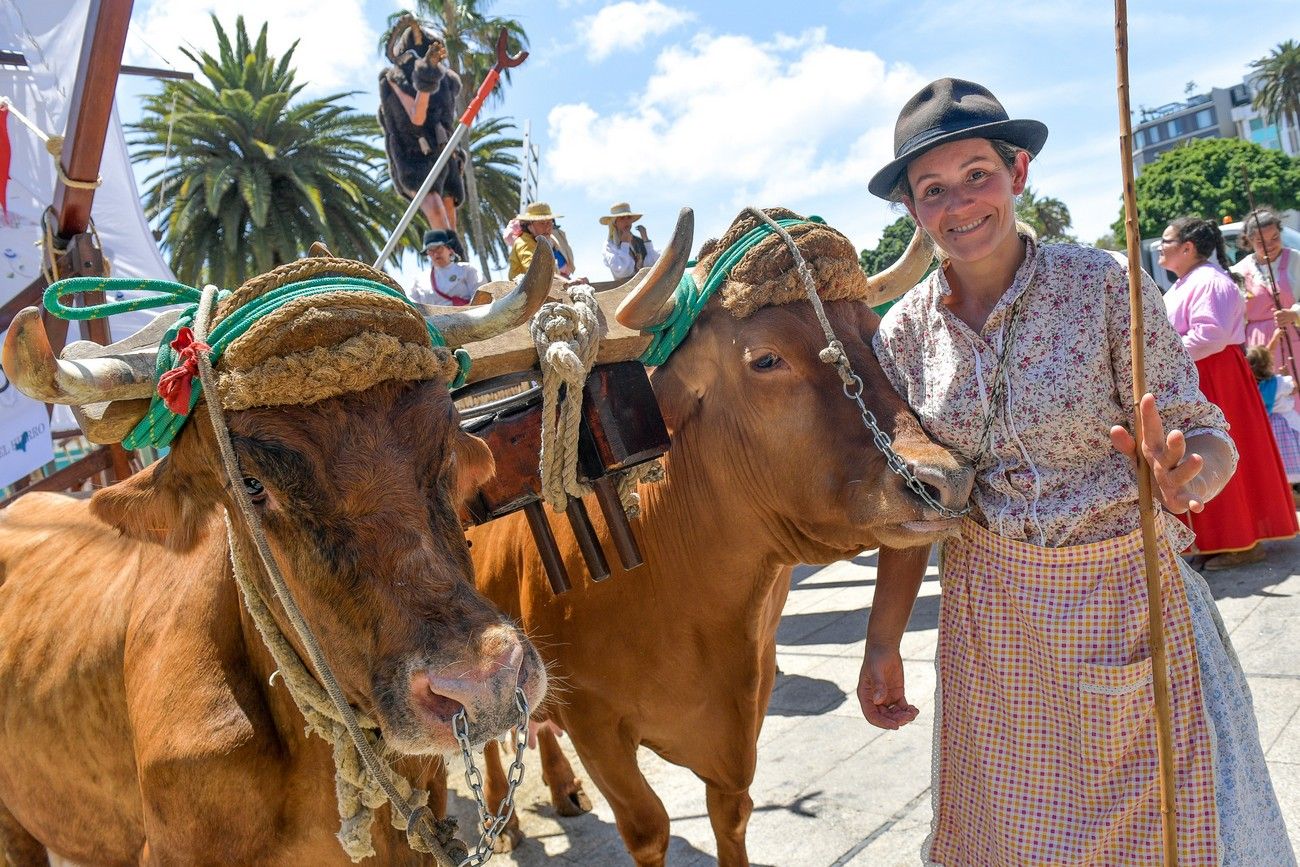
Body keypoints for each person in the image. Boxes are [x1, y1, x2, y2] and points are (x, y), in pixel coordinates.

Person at [862, 78, 1294, 866]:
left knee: (1177, 828)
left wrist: (1185, 476)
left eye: (977, 175)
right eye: (932, 190)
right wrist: (881, 640)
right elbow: (915, 505)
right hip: (996, 626)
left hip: (1134, 598)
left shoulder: (1103, 285)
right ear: (912, 210)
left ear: (1019, 173)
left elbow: (1205, 433)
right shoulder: (903, 334)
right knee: (1019, 838)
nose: (959, 204)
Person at [1159, 216, 1298, 568]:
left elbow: (1212, 335)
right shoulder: (1187, 282)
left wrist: (1162, 357)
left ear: (1187, 247)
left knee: (1219, 454)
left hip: (1217, 376)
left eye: (1166, 240)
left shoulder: (1209, 281)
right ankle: (1220, 539)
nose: (1160, 247)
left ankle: (1241, 541)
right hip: (1204, 374)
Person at [1232, 208, 1300, 407]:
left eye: (1274, 238)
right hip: (1261, 347)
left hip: (1294, 337)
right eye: (1261, 241)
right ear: (1249, 241)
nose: (1269, 245)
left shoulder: (1296, 260)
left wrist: (1294, 313)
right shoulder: (1238, 271)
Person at [1246, 344, 1300, 492]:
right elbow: (1295, 388)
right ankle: (1290, 494)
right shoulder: (1280, 382)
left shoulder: (1249, 386)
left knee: (1274, 462)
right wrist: (1287, 374)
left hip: (1266, 426)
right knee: (1288, 461)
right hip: (1286, 424)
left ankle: (1279, 492)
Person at [408, 229, 481, 306]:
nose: (435, 254)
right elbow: (412, 305)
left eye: (439, 248)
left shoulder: (468, 270)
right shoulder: (419, 280)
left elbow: (481, 298)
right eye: (431, 251)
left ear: (449, 249)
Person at [508, 202, 574, 279]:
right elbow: (537, 271)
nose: (547, 227)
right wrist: (567, 282)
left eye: (549, 222)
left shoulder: (548, 242)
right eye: (542, 223)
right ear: (529, 225)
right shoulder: (523, 243)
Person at [600, 202, 660, 280]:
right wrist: (625, 244)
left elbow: (653, 265)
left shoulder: (638, 241)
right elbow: (621, 271)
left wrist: (646, 240)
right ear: (615, 223)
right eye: (622, 218)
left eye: (628, 217)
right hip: (623, 289)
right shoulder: (610, 245)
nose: (626, 221)